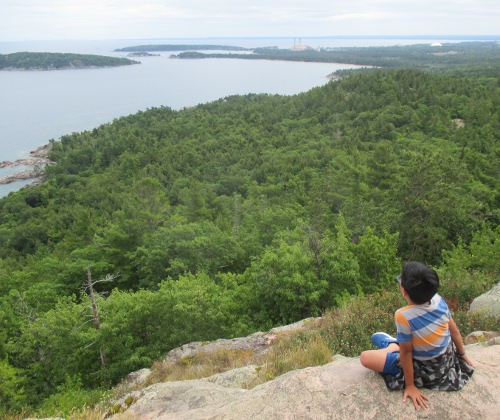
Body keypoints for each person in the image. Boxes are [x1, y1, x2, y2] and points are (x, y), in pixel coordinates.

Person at [360, 261, 475, 410]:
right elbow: (454, 331)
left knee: (365, 357)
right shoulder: (438, 300)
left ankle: (392, 346)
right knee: (398, 347)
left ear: (404, 291)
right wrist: (462, 355)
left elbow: (407, 352)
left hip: (422, 367)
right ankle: (393, 344)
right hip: (446, 360)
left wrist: (410, 385)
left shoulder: (403, 315)